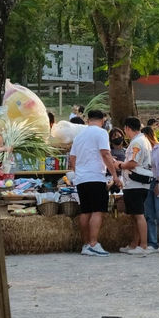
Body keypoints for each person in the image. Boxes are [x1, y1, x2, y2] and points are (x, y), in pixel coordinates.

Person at [68, 109, 120, 257]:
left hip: (82, 179)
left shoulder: (79, 135)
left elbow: (72, 158)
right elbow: (105, 153)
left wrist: (78, 173)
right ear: (103, 120)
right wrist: (115, 175)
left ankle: (85, 244)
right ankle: (93, 243)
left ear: (88, 119)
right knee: (97, 211)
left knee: (85, 211)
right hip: (96, 176)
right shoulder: (102, 133)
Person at [117, 116, 154, 256]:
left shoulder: (137, 142)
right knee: (135, 215)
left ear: (127, 128)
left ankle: (143, 245)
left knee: (138, 215)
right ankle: (134, 244)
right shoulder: (143, 140)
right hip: (137, 183)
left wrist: (119, 164)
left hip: (135, 183)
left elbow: (132, 163)